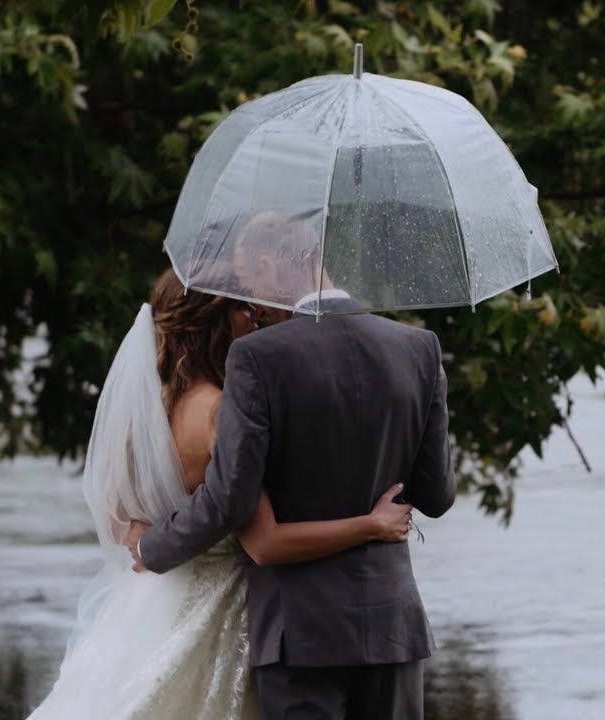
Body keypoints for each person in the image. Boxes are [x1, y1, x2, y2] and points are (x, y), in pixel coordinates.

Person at [25, 268, 413, 719]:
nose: (257, 322)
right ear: (219, 320)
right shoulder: (223, 410)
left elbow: (119, 522)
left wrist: (145, 540)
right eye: (246, 311)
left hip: (150, 604)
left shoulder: (143, 415)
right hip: (226, 612)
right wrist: (370, 525)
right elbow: (264, 539)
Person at [128, 209, 457, 719]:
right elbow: (437, 496)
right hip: (394, 627)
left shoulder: (258, 358)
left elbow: (229, 499)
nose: (252, 306)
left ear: (268, 263)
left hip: (299, 633)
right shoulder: (418, 348)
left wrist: (153, 546)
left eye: (247, 280)